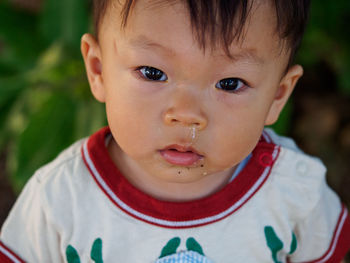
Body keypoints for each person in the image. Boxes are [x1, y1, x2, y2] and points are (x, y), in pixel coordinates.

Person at [1, 0, 350, 262]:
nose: (186, 115)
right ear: (98, 69)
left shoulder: (292, 189)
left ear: (278, 95)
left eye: (230, 83)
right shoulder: (58, 200)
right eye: (153, 73)